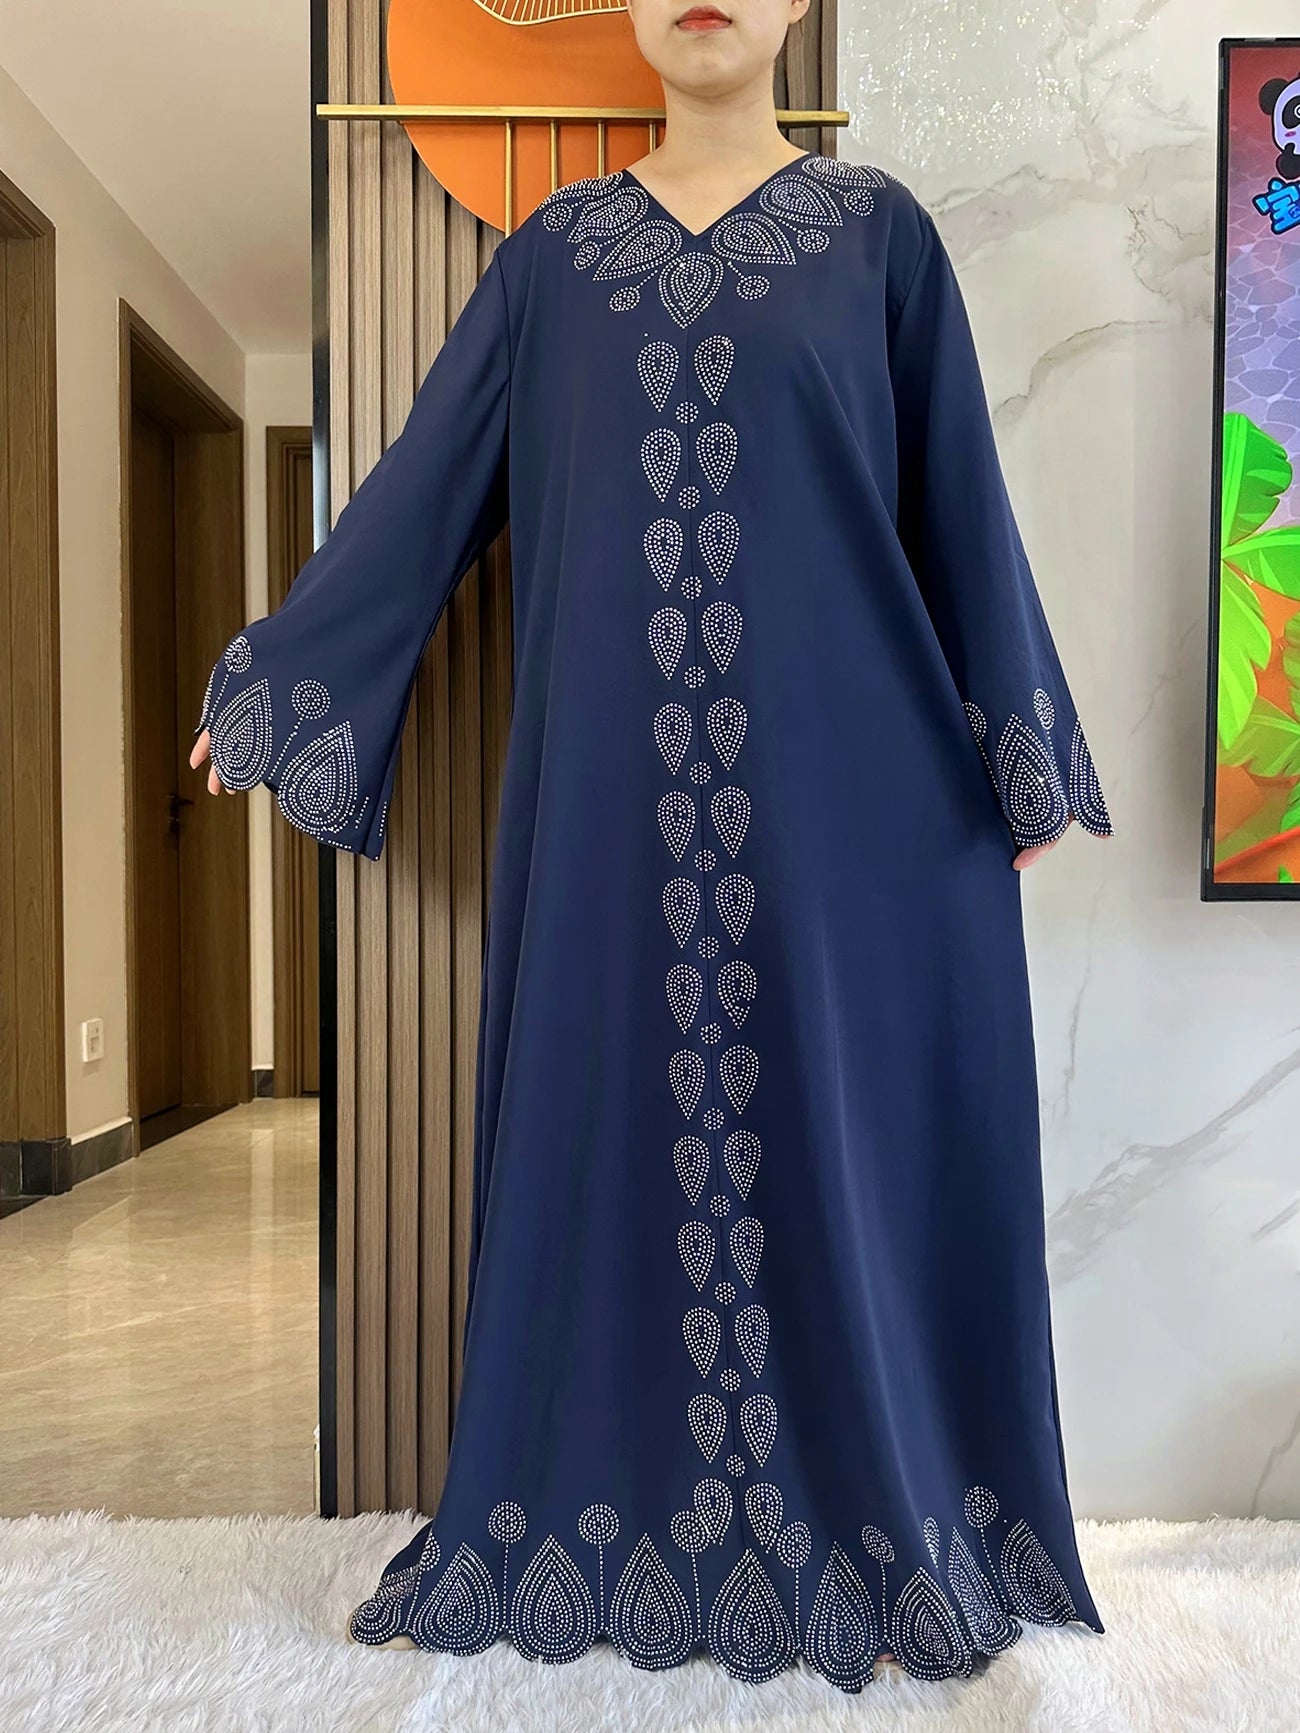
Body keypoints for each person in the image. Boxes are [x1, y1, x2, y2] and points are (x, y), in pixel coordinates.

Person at [191, 0, 1112, 1695]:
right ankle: (612, 1511)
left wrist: (1018, 751)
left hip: (856, 823)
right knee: (611, 1131)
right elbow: (423, 492)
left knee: (844, 1154)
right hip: (611, 823)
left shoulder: (880, 241)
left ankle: (877, 1510)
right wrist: (289, 676)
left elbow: (961, 512)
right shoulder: (553, 264)